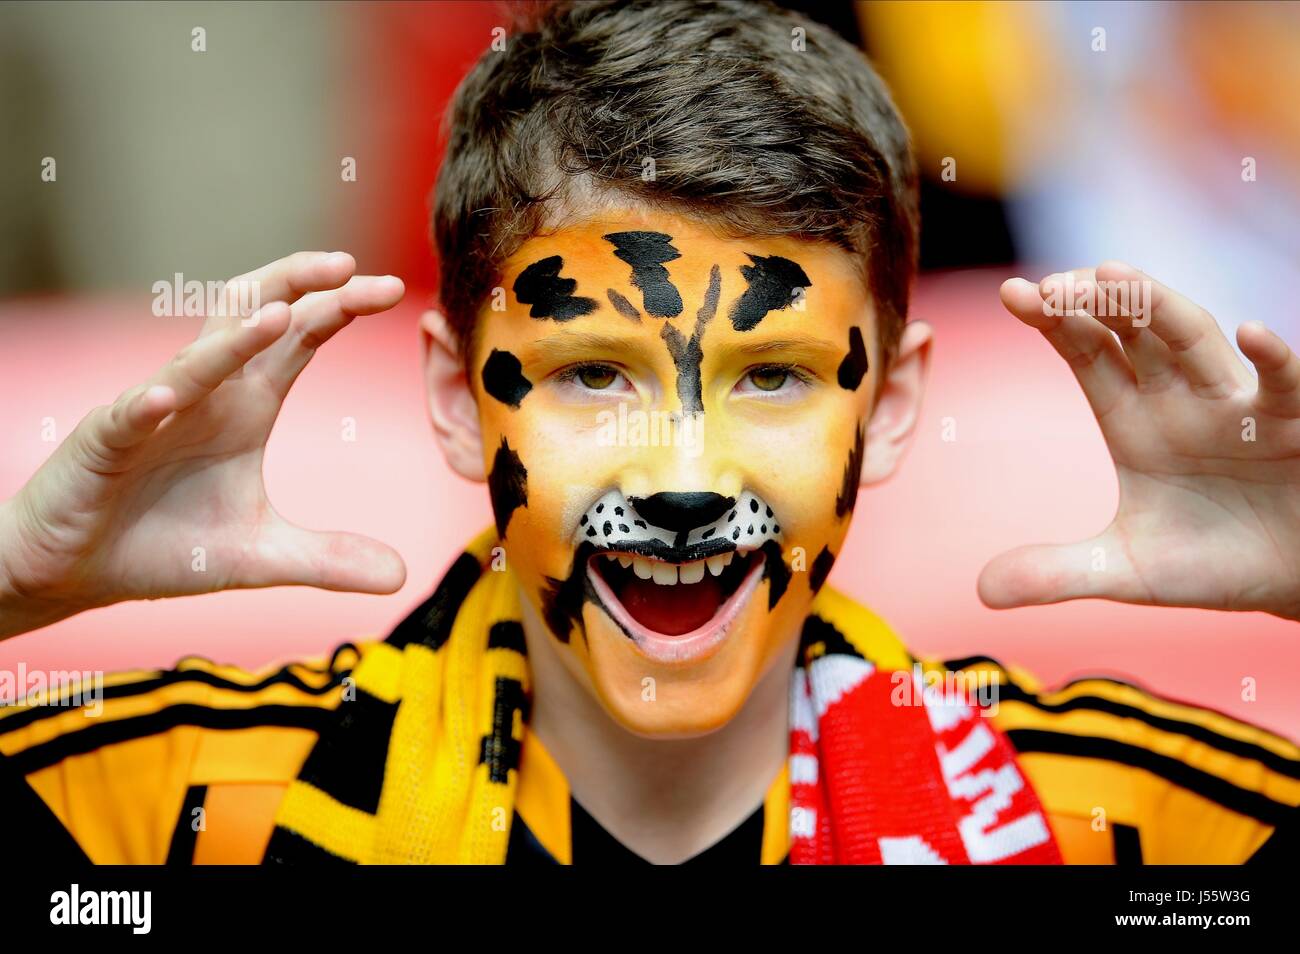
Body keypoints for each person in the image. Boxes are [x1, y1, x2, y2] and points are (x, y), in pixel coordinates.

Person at [1, 0, 1296, 865]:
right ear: (459, 400)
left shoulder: (1119, 823)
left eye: (774, 377)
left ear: (889, 405)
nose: (684, 479)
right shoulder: (190, 801)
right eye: (593, 375)